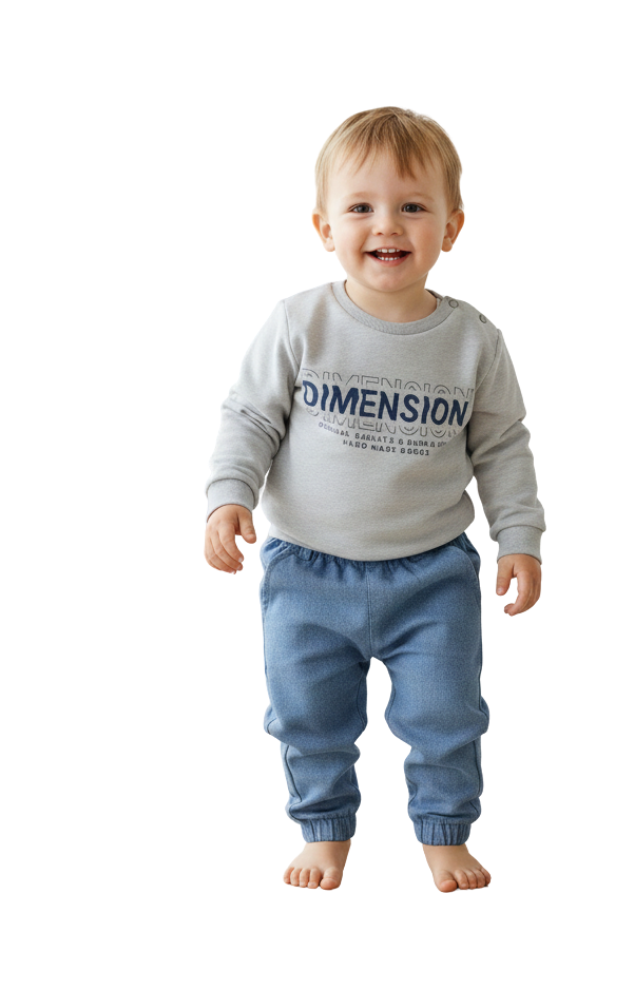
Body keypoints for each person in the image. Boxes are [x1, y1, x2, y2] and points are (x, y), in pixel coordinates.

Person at [204, 106, 545, 892]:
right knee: (307, 713)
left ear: (451, 227)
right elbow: (250, 416)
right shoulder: (300, 323)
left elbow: (502, 446)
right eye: (361, 206)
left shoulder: (473, 341)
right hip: (308, 573)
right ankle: (324, 830)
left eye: (412, 206)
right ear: (324, 227)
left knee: (447, 714)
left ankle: (445, 831)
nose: (386, 224)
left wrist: (519, 538)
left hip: (431, 576)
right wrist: (229, 496)